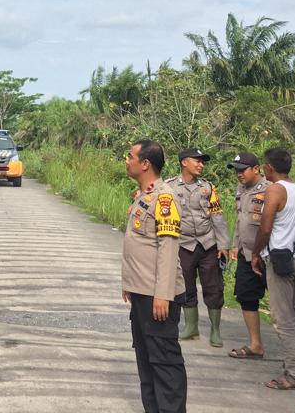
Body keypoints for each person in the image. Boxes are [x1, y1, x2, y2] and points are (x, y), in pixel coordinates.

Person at [121, 139, 187, 413]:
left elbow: (168, 248)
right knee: (146, 362)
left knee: (164, 363)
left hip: (157, 296)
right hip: (141, 292)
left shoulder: (164, 199)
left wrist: (163, 294)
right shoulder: (144, 195)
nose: (126, 160)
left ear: (145, 163)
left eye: (130, 156)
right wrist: (130, 285)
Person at [251, 147, 295, 391]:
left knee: (282, 317)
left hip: (281, 259)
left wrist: (255, 253)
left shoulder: (274, 189)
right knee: (294, 315)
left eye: (265, 165)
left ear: (269, 168)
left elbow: (265, 229)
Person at [165, 147, 229, 347]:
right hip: (183, 244)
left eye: (202, 162)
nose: (201, 165)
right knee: (186, 286)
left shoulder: (208, 188)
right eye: (197, 161)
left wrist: (223, 244)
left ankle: (215, 331)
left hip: (207, 243)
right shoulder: (170, 187)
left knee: (214, 287)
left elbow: (217, 216)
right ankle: (191, 328)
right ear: (184, 162)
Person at [227, 152, 268, 359]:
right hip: (246, 252)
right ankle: (255, 344)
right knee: (246, 296)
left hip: (268, 254)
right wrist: (236, 245)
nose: (239, 174)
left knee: (284, 303)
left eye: (242, 169)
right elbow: (240, 220)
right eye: (236, 170)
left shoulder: (270, 189)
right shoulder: (241, 190)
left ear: (256, 169)